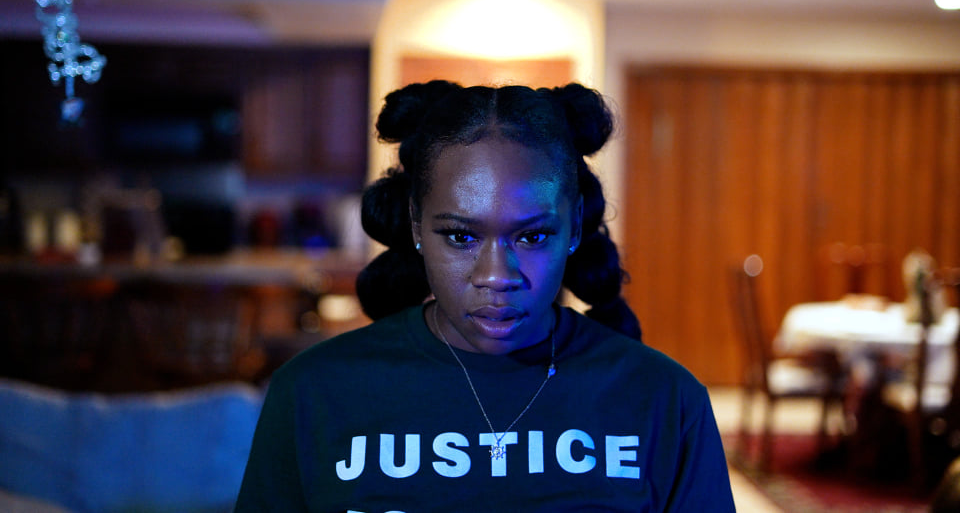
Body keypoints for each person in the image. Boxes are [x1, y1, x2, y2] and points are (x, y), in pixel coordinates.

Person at [235, 81, 735, 512]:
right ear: (416, 224)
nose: (496, 276)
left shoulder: (665, 401)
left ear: (576, 226)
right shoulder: (313, 394)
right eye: (460, 236)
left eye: (533, 236)